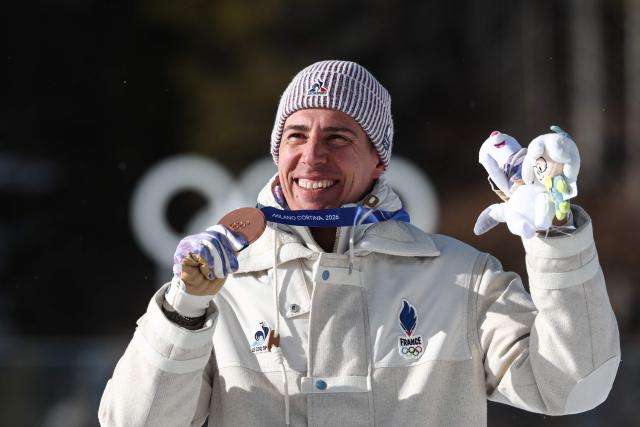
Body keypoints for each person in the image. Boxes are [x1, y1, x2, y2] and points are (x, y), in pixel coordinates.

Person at [99, 60, 620, 427]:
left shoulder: (458, 278)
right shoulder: (223, 284)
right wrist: (184, 309)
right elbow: (132, 421)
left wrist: (556, 234)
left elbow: (574, 386)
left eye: (338, 138)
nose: (311, 157)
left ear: (378, 161)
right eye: (297, 136)